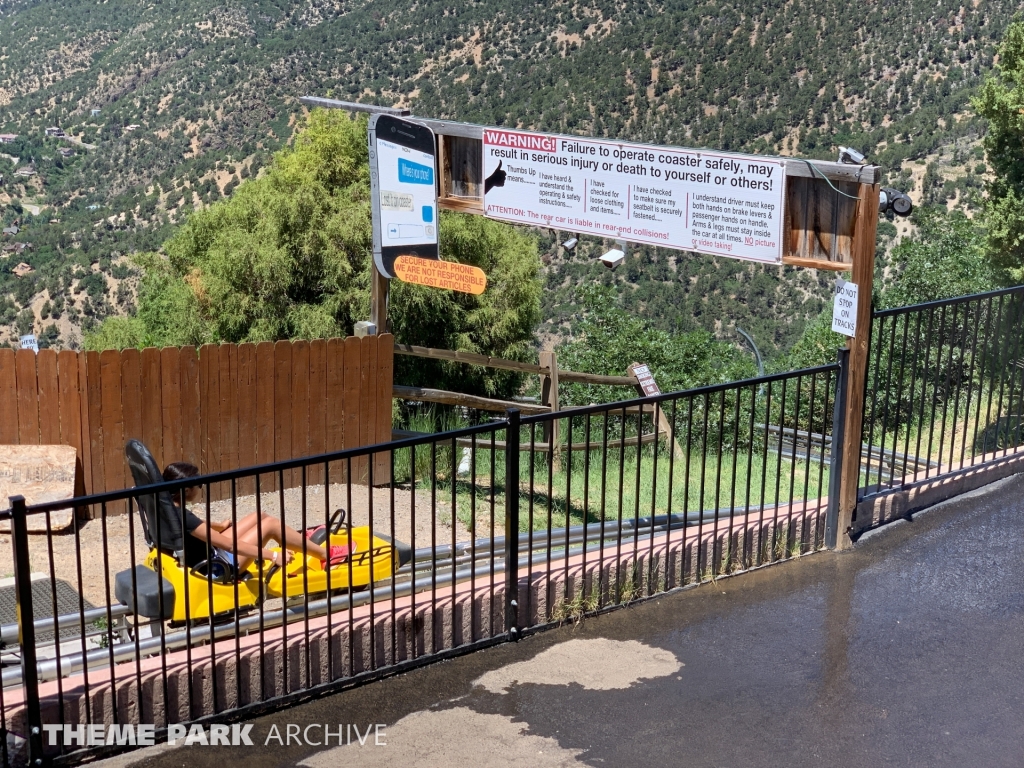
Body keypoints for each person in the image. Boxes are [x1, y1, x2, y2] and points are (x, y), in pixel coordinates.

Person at [162, 462, 349, 573]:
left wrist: (221, 525)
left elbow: (197, 525)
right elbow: (231, 546)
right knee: (271, 525)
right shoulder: (182, 516)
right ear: (186, 490)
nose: (200, 488)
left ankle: (299, 542)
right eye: (198, 485)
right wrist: (273, 555)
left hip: (207, 553)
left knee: (259, 516)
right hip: (218, 566)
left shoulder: (165, 507)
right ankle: (327, 556)